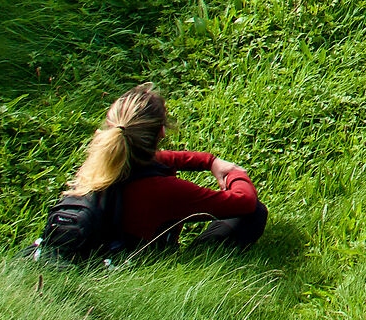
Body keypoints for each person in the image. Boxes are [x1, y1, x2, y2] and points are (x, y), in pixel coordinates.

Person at [67, 83, 265, 251]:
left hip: (99, 252)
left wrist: (210, 161)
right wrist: (235, 173)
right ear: (161, 132)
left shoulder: (101, 165)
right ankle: (196, 258)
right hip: (137, 264)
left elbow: (161, 159)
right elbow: (245, 202)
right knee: (255, 212)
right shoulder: (162, 190)